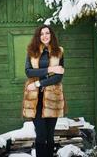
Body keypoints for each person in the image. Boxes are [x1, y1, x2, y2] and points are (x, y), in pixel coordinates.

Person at [23, 25, 65, 157]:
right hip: (35, 98)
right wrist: (50, 70)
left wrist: (38, 83)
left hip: (53, 97)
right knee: (41, 134)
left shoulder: (59, 51)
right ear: (38, 36)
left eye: (47, 33)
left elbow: (59, 76)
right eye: (42, 34)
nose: (45, 36)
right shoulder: (31, 51)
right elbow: (28, 72)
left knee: (50, 135)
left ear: (51, 35)